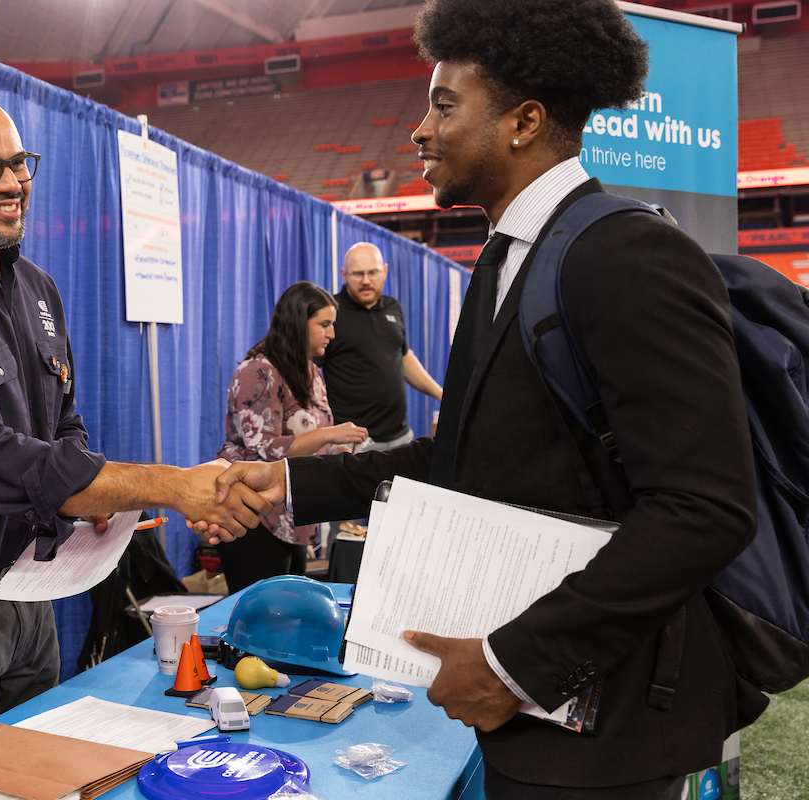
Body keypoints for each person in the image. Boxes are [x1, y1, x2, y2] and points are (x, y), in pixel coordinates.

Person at [204, 0, 768, 796]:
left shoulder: (629, 254)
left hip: (608, 729)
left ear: (524, 121)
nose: (419, 131)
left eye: (443, 103)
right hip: (529, 723)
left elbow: (705, 508)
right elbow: (463, 455)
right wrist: (294, 483)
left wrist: (514, 664)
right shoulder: (505, 266)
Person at [0, 86, 268, 772]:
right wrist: (171, 486)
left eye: (19, 163)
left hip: (31, 599)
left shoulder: (37, 287)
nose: (12, 185)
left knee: (37, 783)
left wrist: (102, 500)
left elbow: (60, 426)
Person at [215, 282, 367, 591]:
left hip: (293, 512)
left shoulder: (311, 372)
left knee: (291, 615)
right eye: (324, 325)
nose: (332, 334)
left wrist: (335, 448)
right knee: (263, 619)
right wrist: (331, 433)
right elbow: (264, 448)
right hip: (253, 513)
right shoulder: (258, 371)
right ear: (299, 324)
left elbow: (310, 437)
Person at [321, 241, 442, 452]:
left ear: (384, 271)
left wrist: (442, 394)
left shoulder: (393, 307)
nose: (366, 281)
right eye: (358, 274)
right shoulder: (331, 313)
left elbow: (403, 358)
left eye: (373, 272)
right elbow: (308, 371)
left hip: (401, 437)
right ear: (344, 274)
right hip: (353, 444)